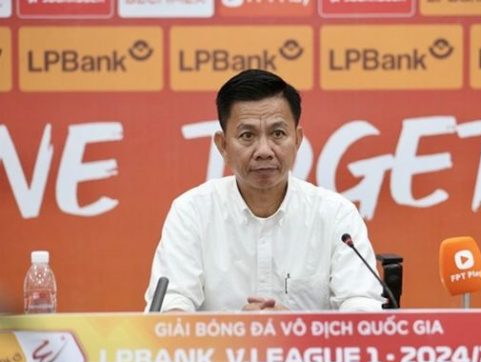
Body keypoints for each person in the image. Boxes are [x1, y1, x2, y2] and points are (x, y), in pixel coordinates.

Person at [144, 69, 384, 312]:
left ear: (297, 140)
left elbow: (363, 310)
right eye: (247, 135)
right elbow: (170, 307)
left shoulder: (336, 215)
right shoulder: (192, 212)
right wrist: (238, 331)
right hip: (220, 340)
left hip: (305, 340)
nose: (264, 151)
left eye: (277, 134)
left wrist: (294, 328)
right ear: (223, 145)